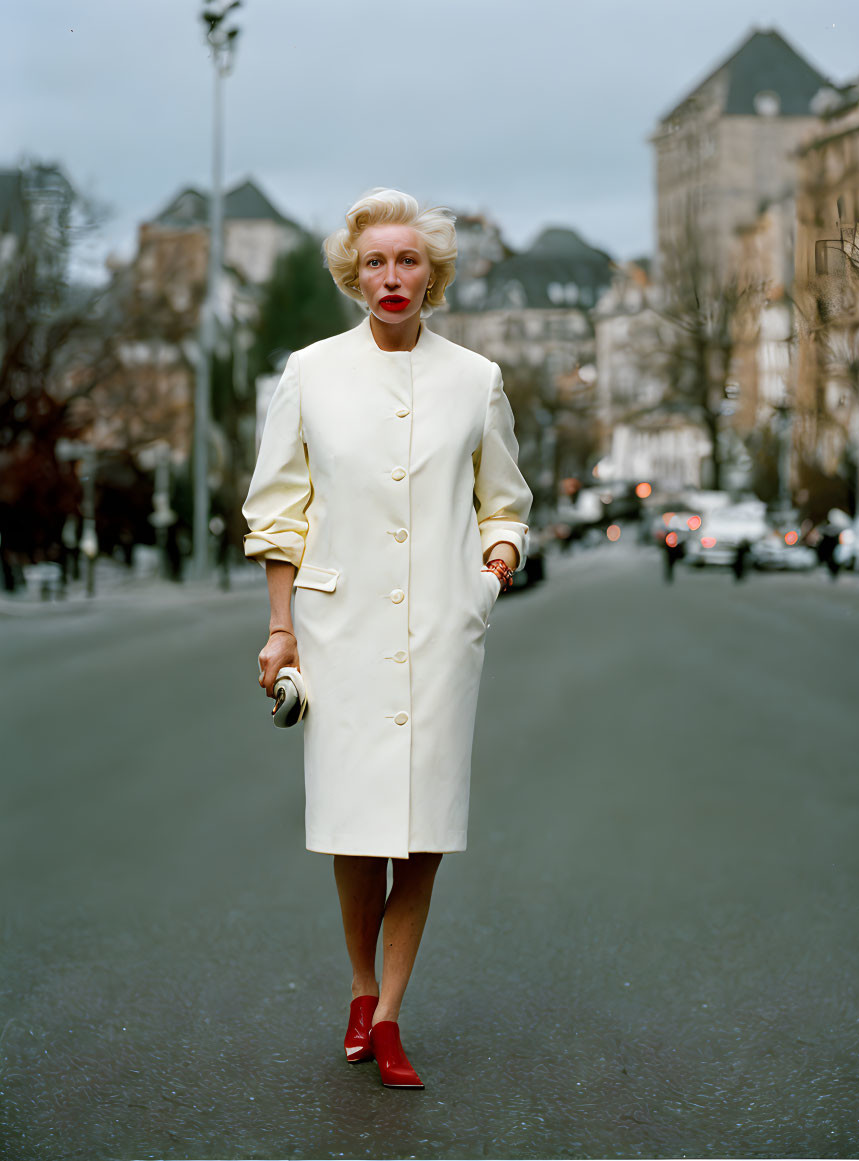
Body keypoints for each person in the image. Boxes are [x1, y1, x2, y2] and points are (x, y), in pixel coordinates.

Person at [242, 189, 533, 1089]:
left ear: (433, 273)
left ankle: (394, 1014)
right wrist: (281, 627)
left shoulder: (475, 378)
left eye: (408, 261)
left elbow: (506, 498)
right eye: (375, 262)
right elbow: (278, 511)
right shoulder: (310, 372)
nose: (391, 277)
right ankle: (361, 986)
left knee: (424, 830)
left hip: (444, 626)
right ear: (352, 273)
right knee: (358, 827)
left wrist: (494, 560)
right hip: (338, 628)